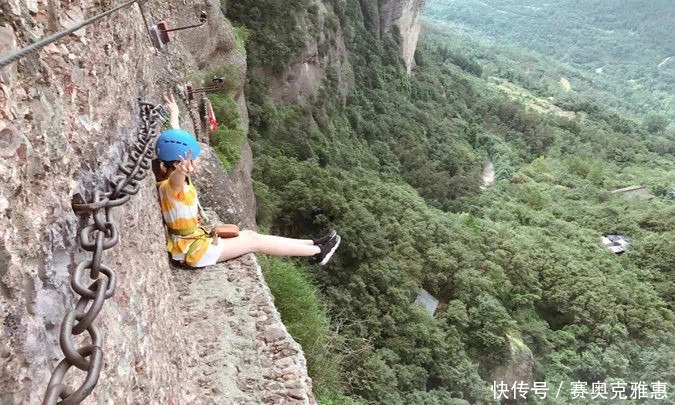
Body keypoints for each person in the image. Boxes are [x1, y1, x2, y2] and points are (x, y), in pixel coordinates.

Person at [154, 91, 341, 268]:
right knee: (253, 242)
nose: (194, 159)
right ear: (178, 163)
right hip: (193, 251)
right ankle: (317, 252)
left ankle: (313, 243)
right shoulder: (172, 185)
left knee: (251, 234)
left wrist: (174, 115)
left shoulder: (167, 170)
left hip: (195, 241)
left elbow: (174, 142)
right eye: (190, 158)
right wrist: (182, 171)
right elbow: (176, 180)